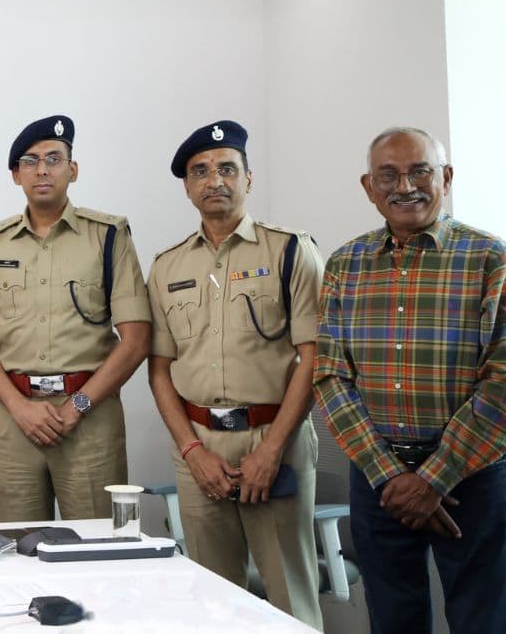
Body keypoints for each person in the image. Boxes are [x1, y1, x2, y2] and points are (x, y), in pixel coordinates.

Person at [315, 127, 506, 634]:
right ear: (369, 187)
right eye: (388, 175)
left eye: (420, 171)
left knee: (484, 620)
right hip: (377, 478)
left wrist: (434, 478)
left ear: (446, 178)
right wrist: (390, 475)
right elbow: (330, 374)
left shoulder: (490, 258)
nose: (405, 186)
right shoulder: (345, 265)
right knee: (392, 619)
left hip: (471, 478)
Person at [146, 121, 324, 629]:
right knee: (211, 602)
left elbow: (313, 358)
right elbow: (159, 371)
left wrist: (271, 451)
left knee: (290, 598)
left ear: (249, 178)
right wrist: (192, 451)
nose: (214, 180)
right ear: (187, 186)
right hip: (199, 445)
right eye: (200, 171)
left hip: (275, 440)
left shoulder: (290, 250)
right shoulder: (166, 266)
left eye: (227, 168)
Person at [0, 115, 152, 521]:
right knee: (20, 550)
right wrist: (19, 407)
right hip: (16, 420)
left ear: (73, 169)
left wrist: (77, 406)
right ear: (16, 175)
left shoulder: (108, 236)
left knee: (102, 550)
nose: (42, 170)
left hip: (90, 419)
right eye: (30, 161)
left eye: (54, 158)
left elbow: (136, 339)